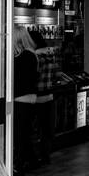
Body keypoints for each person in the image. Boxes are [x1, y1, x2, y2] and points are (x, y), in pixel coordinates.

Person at [31, 31, 60, 165]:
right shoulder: (52, 55)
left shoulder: (35, 57)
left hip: (36, 97)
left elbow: (33, 77)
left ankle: (35, 155)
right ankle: (45, 155)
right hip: (49, 95)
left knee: (34, 128)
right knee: (47, 129)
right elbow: (56, 75)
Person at [12, 28, 39, 174]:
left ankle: (20, 164)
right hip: (29, 99)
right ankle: (31, 160)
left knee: (20, 135)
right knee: (25, 133)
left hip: (20, 99)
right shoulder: (32, 55)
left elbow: (17, 79)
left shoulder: (22, 57)